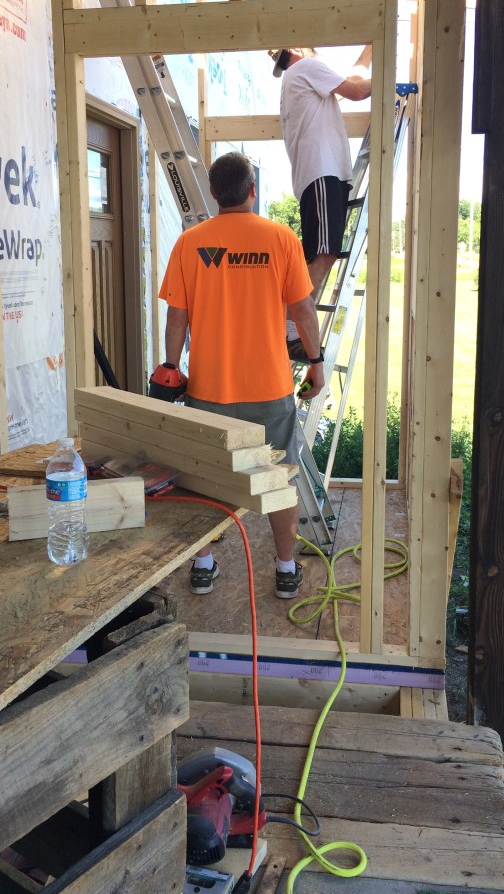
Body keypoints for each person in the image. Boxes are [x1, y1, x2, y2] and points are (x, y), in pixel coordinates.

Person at [158, 151, 325, 600]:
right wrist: (316, 361)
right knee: (278, 479)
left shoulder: (190, 243)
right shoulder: (281, 238)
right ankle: (286, 569)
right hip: (269, 390)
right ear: (253, 190)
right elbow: (303, 309)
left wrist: (171, 368)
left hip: (208, 390)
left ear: (214, 193)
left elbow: (177, 317)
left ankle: (203, 565)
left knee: (201, 478)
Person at [269, 44, 372, 362]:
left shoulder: (297, 79)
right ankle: (290, 334)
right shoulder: (307, 68)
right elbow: (357, 91)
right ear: (298, 48)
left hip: (315, 176)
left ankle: (291, 331)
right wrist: (390, 80)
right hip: (323, 173)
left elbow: (352, 79)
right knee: (325, 255)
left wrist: (370, 50)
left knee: (316, 257)